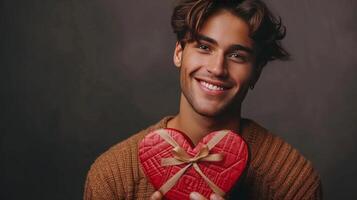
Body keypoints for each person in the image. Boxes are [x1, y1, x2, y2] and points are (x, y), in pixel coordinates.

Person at [83, 0, 322, 199]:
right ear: (179, 52)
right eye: (204, 47)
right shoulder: (112, 177)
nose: (217, 69)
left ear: (256, 72)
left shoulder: (293, 184)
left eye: (237, 55)